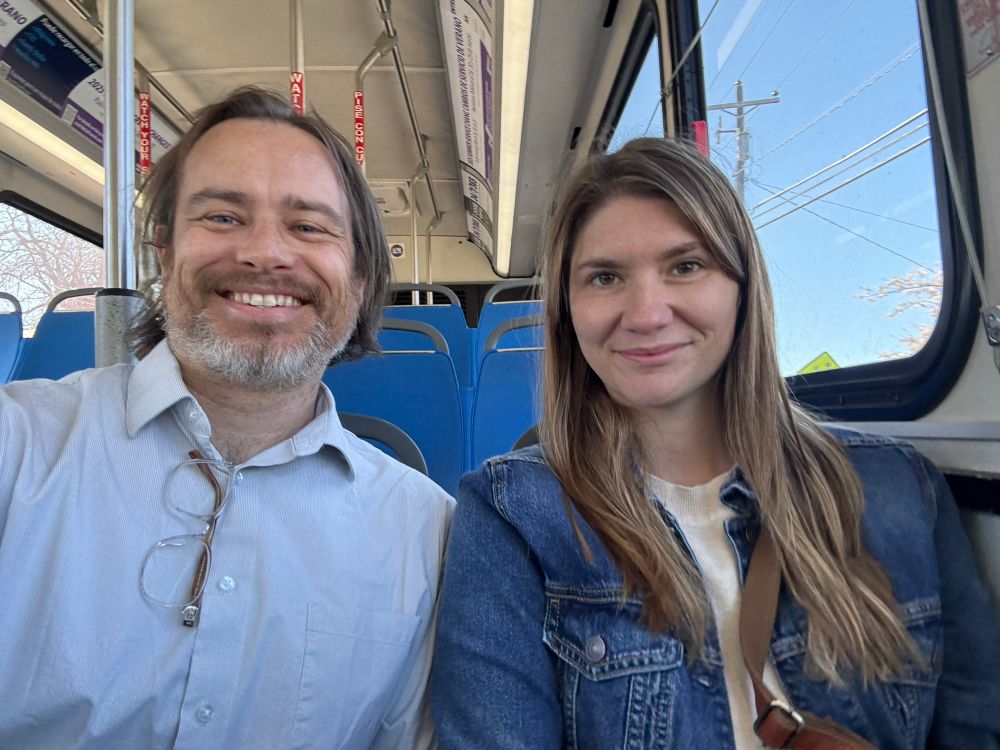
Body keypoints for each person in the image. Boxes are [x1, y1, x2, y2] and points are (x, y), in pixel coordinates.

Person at [430, 137, 1000, 749]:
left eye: (685, 266)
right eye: (604, 277)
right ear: (568, 310)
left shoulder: (897, 490)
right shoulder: (514, 516)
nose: (647, 313)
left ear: (741, 288)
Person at [0, 87, 453, 749]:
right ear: (163, 253)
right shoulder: (18, 451)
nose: (265, 253)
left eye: (308, 226)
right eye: (221, 217)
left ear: (359, 282)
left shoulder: (425, 533)